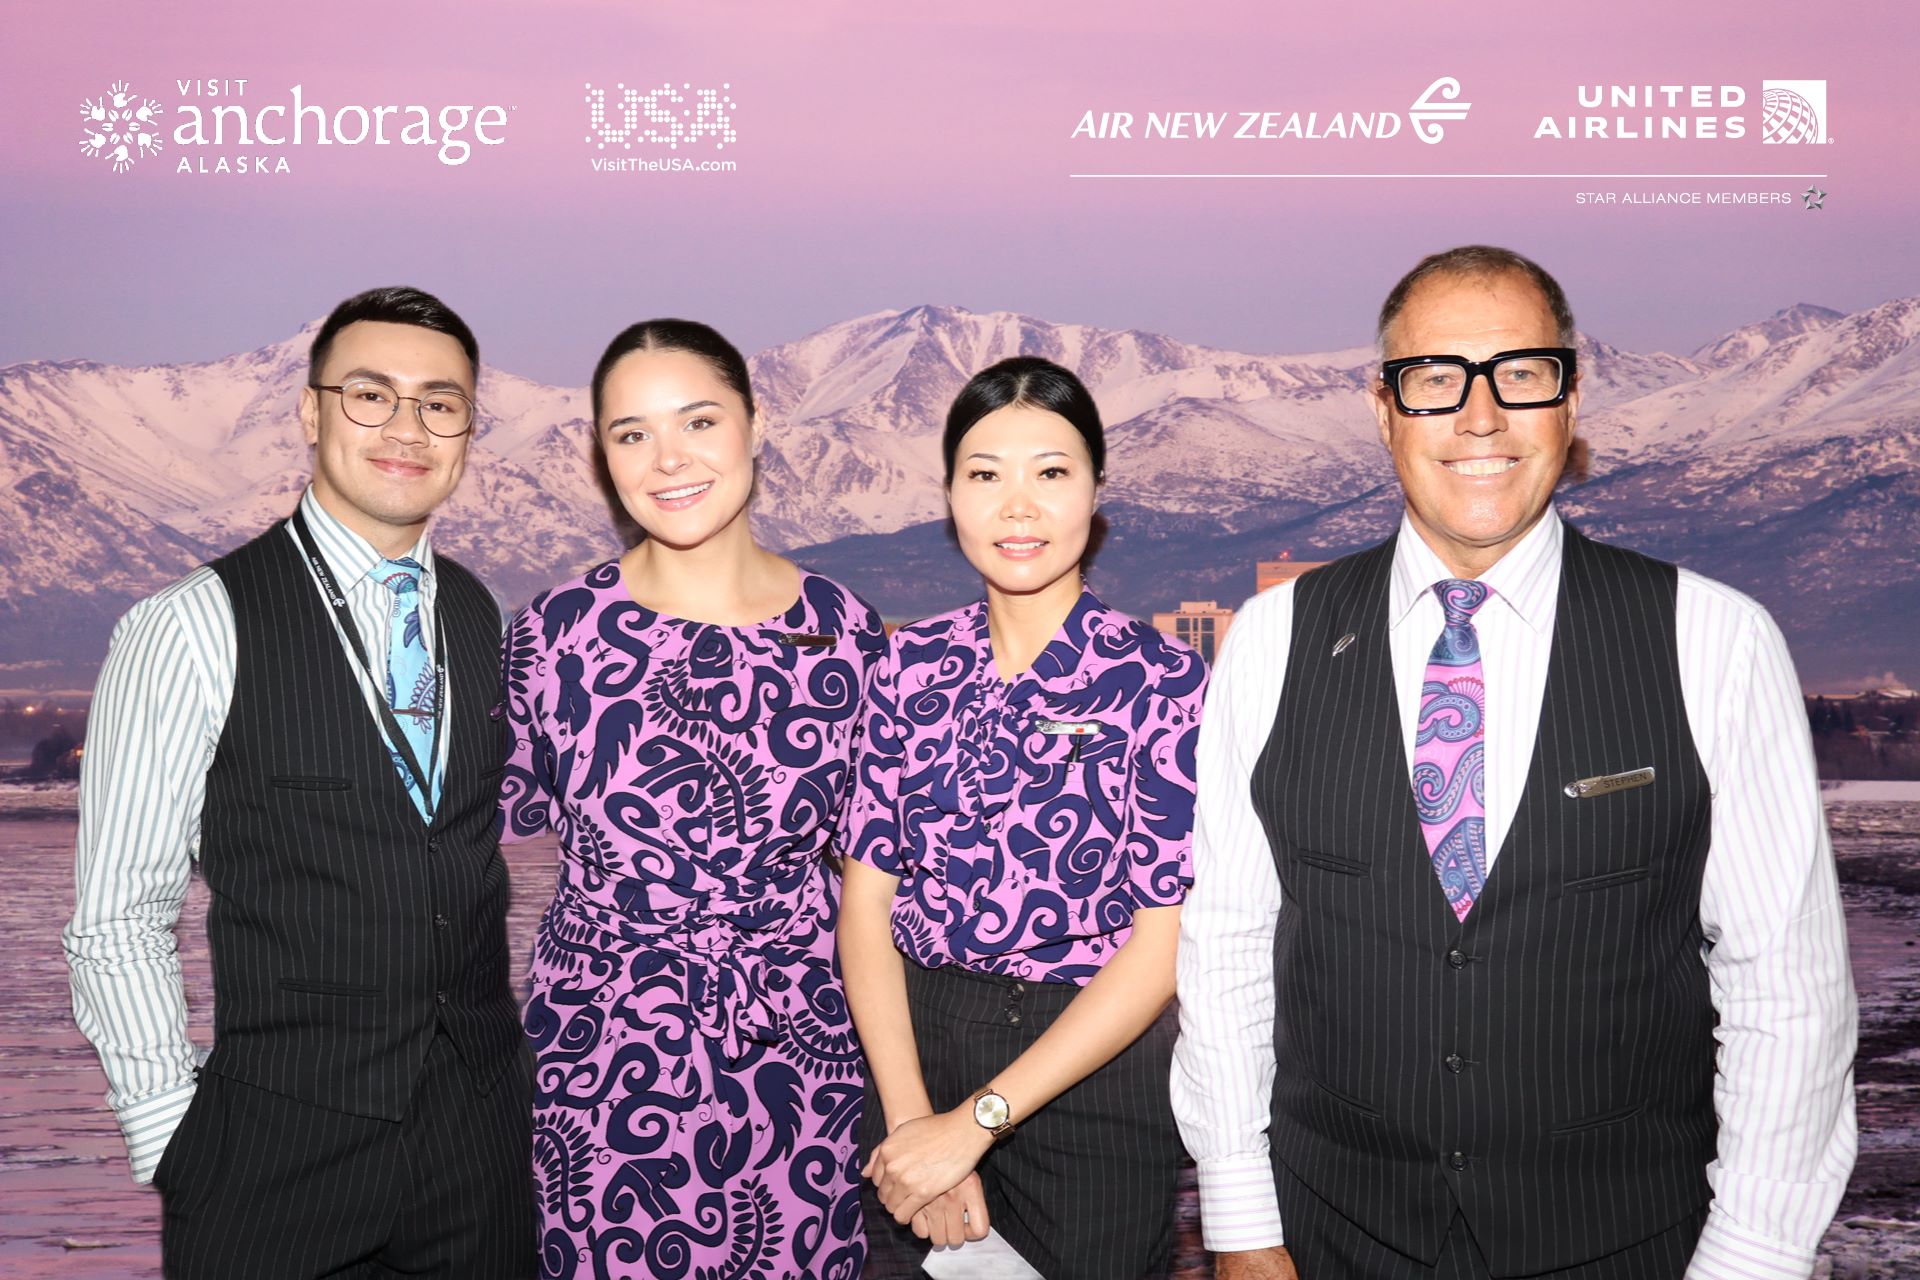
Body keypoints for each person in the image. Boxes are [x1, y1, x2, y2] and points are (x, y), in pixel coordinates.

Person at [1172, 245, 1858, 1280]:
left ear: (1570, 401)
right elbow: (1229, 949)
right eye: (1436, 378)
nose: (1480, 416)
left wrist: (1752, 1257)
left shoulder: (1715, 640)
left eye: (1521, 374)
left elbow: (1787, 992)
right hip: (1329, 1239)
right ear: (1384, 409)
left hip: (1630, 1243)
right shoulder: (1272, 640)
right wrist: (1242, 1221)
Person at [63, 286, 535, 1277]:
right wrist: (171, 1137)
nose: (407, 426)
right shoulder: (189, 624)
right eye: (370, 394)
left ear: (467, 431)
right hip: (273, 1159)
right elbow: (118, 916)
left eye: (440, 403)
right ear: (312, 414)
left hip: (479, 1157)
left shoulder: (483, 613)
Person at [500, 319, 884, 1280]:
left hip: (803, 1047)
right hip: (602, 1049)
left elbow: (881, 880)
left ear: (757, 425)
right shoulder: (553, 635)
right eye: (631, 434)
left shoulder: (848, 632)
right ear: (602, 457)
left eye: (699, 421)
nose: (667, 458)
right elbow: (465, 847)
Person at [840, 357, 1208, 1279]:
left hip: (1090, 1072)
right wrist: (913, 1121)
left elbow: (1163, 941)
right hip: (915, 1049)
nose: (1018, 507)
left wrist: (974, 1125)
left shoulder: (1162, 681)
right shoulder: (908, 668)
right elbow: (866, 905)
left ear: (1096, 490)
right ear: (949, 496)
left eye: (1050, 472)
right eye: (984, 474)